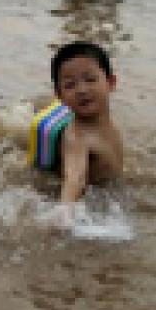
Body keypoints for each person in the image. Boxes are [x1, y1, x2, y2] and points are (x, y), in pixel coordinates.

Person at [27, 41, 125, 204]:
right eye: (70, 85)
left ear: (111, 83)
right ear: (59, 96)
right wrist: (65, 213)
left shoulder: (103, 119)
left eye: (90, 79)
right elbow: (75, 179)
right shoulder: (77, 138)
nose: (82, 90)